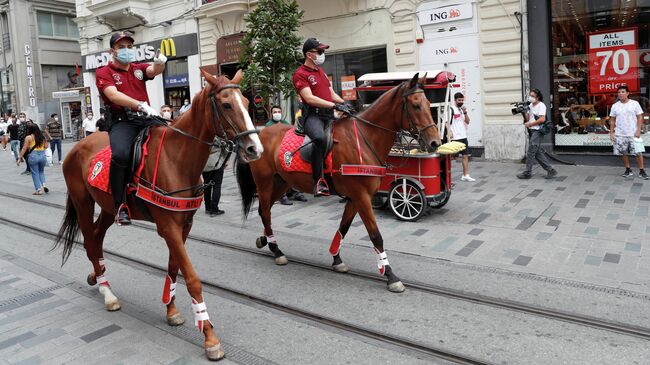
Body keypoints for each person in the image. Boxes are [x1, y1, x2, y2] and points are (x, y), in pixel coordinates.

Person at [96, 31, 167, 225]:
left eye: (129, 46)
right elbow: (113, 96)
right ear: (112, 51)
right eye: (121, 47)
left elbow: (153, 70)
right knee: (120, 154)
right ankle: (120, 205)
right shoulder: (104, 72)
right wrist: (140, 104)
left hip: (146, 118)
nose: (126, 50)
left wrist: (160, 63)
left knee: (172, 139)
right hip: (123, 121)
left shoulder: (138, 69)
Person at [292, 37, 351, 196]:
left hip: (328, 115)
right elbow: (309, 98)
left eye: (323, 51)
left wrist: (345, 103)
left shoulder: (321, 72)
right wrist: (334, 105)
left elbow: (330, 93)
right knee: (319, 138)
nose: (322, 54)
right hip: (312, 116)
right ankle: (318, 181)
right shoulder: (300, 74)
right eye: (320, 51)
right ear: (309, 54)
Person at [517, 89, 557, 179]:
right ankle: (551, 170)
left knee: (531, 151)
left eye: (533, 96)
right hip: (532, 130)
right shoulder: (530, 105)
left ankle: (527, 172)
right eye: (530, 95)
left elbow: (542, 119)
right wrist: (524, 111)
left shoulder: (541, 105)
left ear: (537, 97)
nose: (530, 97)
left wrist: (530, 124)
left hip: (538, 131)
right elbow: (528, 118)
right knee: (537, 152)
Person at [610, 85, 647, 180]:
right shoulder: (615, 106)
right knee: (624, 153)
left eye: (622, 92)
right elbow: (612, 120)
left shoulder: (634, 104)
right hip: (620, 133)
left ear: (627, 93)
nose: (620, 94)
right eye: (619, 92)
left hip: (633, 133)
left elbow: (640, 117)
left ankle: (642, 170)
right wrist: (611, 133)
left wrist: (638, 130)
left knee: (638, 152)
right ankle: (628, 169)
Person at [447, 92, 475, 182]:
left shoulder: (462, 110)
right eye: (459, 100)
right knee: (451, 157)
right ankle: (447, 178)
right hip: (455, 138)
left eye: (462, 100)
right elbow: (446, 122)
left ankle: (465, 175)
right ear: (455, 100)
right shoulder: (451, 109)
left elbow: (468, 121)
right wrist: (449, 131)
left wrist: (465, 112)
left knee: (465, 156)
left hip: (463, 136)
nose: (461, 102)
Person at [17, 124, 49, 195]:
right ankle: (44, 185)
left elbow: (24, 148)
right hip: (42, 156)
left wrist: (19, 158)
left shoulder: (29, 137)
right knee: (41, 171)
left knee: (35, 173)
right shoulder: (42, 136)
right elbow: (46, 146)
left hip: (33, 156)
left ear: (30, 130)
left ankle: (38, 190)